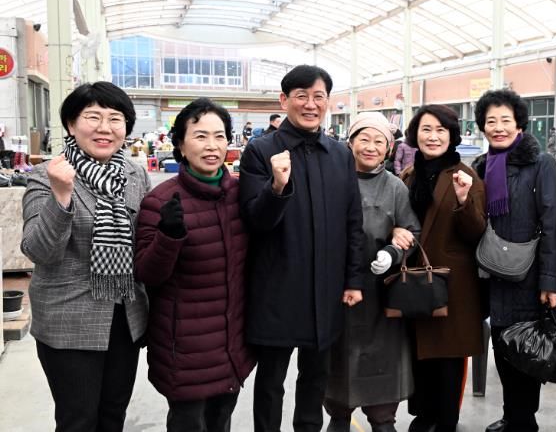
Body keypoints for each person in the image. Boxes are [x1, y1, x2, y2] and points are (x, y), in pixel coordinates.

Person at [238, 65, 364, 432]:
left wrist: (353, 279)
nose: (311, 104)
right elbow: (255, 220)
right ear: (284, 100)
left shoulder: (339, 154)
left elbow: (352, 221)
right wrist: (276, 187)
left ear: (327, 102)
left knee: (316, 375)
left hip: (326, 288)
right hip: (277, 287)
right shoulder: (261, 151)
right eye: (301, 96)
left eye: (318, 96)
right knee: (271, 380)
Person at [21, 81, 150, 431]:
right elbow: (39, 250)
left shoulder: (134, 174)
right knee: (78, 420)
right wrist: (61, 196)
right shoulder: (46, 176)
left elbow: (144, 243)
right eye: (93, 117)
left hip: (126, 318)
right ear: (71, 124)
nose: (105, 128)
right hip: (69, 319)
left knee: (113, 415)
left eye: (115, 119)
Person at [134, 98, 255, 432]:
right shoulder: (160, 201)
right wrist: (168, 236)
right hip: (185, 348)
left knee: (221, 420)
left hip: (232, 342)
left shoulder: (241, 194)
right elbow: (147, 274)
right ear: (181, 145)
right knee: (189, 423)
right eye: (200, 136)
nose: (212, 145)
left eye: (219, 136)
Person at [471, 89, 556, 432]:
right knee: (502, 350)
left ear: (519, 124)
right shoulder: (481, 166)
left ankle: (524, 422)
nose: (498, 127)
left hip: (528, 275)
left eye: (505, 120)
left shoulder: (541, 164)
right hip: (491, 274)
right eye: (490, 121)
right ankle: (513, 417)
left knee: (525, 352)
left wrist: (550, 280)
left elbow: (552, 224)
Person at [324, 112, 421, 432]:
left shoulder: (395, 187)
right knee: (338, 362)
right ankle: (338, 417)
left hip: (382, 294)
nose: (371, 147)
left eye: (379, 141)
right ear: (349, 143)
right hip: (338, 291)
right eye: (364, 139)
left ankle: (383, 421)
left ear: (389, 149)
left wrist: (393, 252)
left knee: (382, 365)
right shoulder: (332, 181)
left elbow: (412, 231)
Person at [400, 104, 486, 432]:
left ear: (452, 136)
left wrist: (464, 200)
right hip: (414, 280)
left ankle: (447, 420)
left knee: (449, 356)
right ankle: (424, 416)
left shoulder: (465, 176)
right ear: (415, 135)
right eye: (426, 129)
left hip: (453, 284)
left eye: (441, 130)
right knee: (420, 352)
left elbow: (476, 232)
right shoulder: (409, 175)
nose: (433, 137)